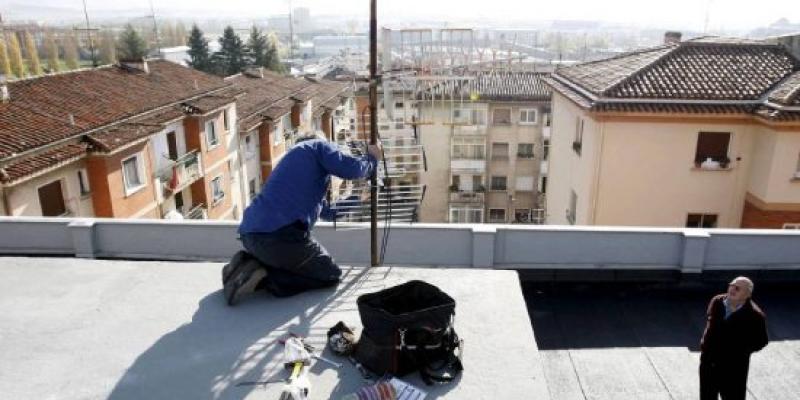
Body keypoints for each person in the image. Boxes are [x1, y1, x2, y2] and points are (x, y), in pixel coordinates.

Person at [222, 135, 382, 305]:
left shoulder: (300, 176)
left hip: (250, 235)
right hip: (280, 237)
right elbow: (353, 169)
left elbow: (328, 213)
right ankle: (266, 278)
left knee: (299, 263)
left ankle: (249, 263)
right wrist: (372, 158)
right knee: (331, 275)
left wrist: (357, 198)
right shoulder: (317, 146)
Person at [699, 276, 768, 400]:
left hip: (733, 369)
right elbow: (709, 319)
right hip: (709, 363)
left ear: (747, 294)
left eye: (738, 288)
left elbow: (761, 341)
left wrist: (738, 353)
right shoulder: (717, 301)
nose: (732, 289)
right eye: (731, 285)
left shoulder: (755, 316)